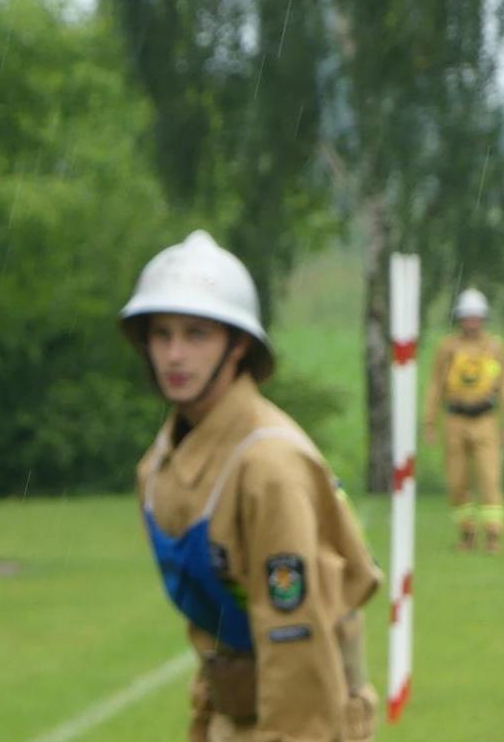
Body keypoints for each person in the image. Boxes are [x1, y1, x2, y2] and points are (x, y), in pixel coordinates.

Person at [124, 231, 382, 741]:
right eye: (162, 334)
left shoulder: (270, 465)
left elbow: (295, 636)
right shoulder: (158, 468)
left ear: (238, 345)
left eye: (197, 335)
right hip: (233, 715)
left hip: (300, 717)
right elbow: (217, 625)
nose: (175, 355)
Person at [422, 288, 504, 554]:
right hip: (455, 420)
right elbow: (436, 385)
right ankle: (466, 533)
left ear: (484, 318)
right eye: (467, 317)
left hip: (486, 420)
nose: (472, 322)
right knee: (457, 482)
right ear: (460, 319)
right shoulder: (448, 348)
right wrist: (429, 422)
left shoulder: (495, 348)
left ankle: (493, 536)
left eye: (477, 317)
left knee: (490, 479)